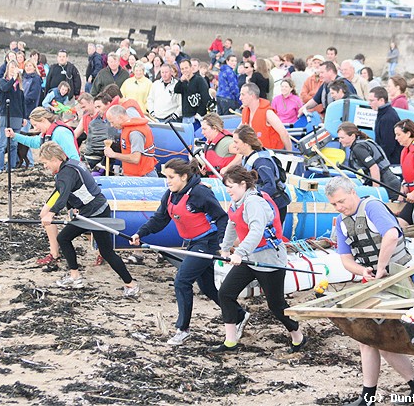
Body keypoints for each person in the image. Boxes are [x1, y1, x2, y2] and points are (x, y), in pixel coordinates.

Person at [325, 176, 414, 405]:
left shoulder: (371, 206)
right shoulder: (342, 222)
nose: (340, 207)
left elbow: (392, 234)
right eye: (334, 204)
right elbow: (345, 259)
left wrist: (381, 267)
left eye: (342, 201)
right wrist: (363, 271)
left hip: (401, 277)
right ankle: (378, 395)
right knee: (369, 338)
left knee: (376, 338)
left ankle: (378, 395)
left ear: (353, 192)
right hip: (376, 282)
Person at [130, 159, 249, 345]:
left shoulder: (200, 193)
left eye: (171, 177)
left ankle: (182, 329)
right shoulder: (170, 195)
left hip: (207, 242)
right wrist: (140, 233)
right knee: (208, 288)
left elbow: (221, 218)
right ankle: (239, 315)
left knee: (182, 281)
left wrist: (222, 245)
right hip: (193, 243)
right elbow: (159, 219)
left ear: (184, 177)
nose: (167, 181)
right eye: (165, 177)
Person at [215, 165, 305, 353]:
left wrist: (239, 253)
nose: (228, 190)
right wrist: (225, 249)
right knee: (225, 293)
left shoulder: (254, 203)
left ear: (243, 184)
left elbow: (257, 230)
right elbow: (232, 224)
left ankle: (297, 334)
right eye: (226, 187)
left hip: (269, 260)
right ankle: (230, 341)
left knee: (276, 305)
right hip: (250, 258)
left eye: (231, 186)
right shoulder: (237, 202)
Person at [37, 142, 140, 296]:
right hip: (88, 211)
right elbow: (68, 190)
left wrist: (51, 214)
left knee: (106, 252)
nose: (45, 167)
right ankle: (75, 276)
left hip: (96, 213)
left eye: (45, 163)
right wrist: (72, 208)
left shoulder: (65, 174)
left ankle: (131, 285)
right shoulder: (72, 164)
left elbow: (63, 194)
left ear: (54, 159)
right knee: (64, 238)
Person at [6, 107, 80, 267]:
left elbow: (74, 157)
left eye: (35, 125)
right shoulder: (48, 134)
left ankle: (101, 250)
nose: (34, 128)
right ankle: (54, 253)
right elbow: (35, 143)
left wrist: (66, 177)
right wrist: (15, 136)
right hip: (63, 183)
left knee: (79, 218)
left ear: (43, 120)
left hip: (72, 184)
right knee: (49, 215)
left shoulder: (60, 133)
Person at [233, 125, 291, 224]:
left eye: (236, 142)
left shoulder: (261, 162)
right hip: (262, 203)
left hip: (274, 205)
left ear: (246, 143)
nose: (234, 145)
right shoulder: (247, 157)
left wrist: (251, 198)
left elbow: (270, 186)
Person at [337, 122, 401, 200]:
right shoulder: (361, 143)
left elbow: (374, 168)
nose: (340, 140)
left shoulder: (358, 148)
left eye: (342, 138)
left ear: (352, 136)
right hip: (390, 181)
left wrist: (375, 192)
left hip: (388, 186)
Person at [104, 105, 158, 178]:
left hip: (143, 176)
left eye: (112, 122)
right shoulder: (127, 128)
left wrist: (113, 154)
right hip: (133, 174)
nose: (111, 125)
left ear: (120, 117)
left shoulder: (135, 133)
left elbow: (135, 159)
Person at [0, 60, 27, 175]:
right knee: (3, 143)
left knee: (14, 143)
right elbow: (5, 88)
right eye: (12, 67)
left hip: (17, 115)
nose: (14, 69)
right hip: (6, 114)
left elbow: (22, 102)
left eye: (15, 67)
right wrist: (13, 78)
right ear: (8, 69)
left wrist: (24, 117)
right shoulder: (3, 81)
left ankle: (11, 166)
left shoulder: (19, 85)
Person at [239, 82, 292, 151]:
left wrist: (290, 153)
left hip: (272, 155)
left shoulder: (268, 113)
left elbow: (284, 133)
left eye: (243, 95)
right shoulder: (246, 112)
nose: (240, 98)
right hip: (256, 154)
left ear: (252, 96)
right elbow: (238, 132)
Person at [371, 86, 403, 165]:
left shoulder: (387, 118)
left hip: (391, 161)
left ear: (381, 100)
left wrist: (377, 161)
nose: (369, 103)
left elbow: (388, 145)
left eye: (372, 100)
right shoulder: (384, 113)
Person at [174, 59, 210, 127]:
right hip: (186, 116)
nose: (184, 70)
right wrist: (181, 80)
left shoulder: (199, 80)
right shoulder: (183, 82)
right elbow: (176, 90)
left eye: (186, 68)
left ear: (191, 68)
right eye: (182, 69)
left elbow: (205, 98)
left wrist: (199, 113)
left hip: (197, 116)